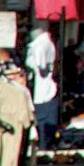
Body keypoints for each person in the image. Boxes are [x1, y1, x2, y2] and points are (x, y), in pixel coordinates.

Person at [27, 22, 61, 154]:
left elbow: (42, 67)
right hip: (41, 92)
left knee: (42, 131)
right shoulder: (42, 45)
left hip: (42, 94)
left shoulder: (41, 46)